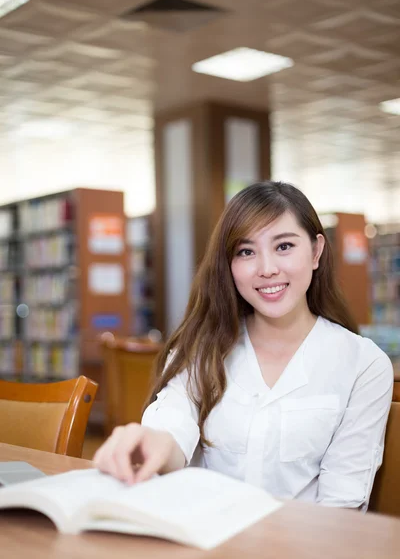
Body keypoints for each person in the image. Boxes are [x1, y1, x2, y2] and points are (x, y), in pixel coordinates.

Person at [94, 181, 393, 510]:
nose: (267, 269)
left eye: (284, 247)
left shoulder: (362, 364)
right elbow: (171, 424)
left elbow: (342, 505)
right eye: (246, 252)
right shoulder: (202, 346)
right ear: (229, 265)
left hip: (300, 554)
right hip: (201, 542)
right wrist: (150, 443)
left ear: (316, 251)